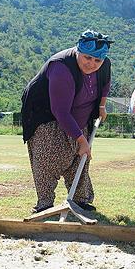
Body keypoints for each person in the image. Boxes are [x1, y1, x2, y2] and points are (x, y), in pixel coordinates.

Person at [20, 30, 113, 214]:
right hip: (46, 115)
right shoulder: (61, 67)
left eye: (97, 60)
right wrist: (82, 141)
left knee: (80, 159)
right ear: (78, 51)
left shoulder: (104, 64)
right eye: (87, 58)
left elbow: (105, 84)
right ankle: (45, 203)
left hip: (81, 115)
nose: (92, 64)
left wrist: (101, 106)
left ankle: (80, 200)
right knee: (47, 159)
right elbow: (60, 111)